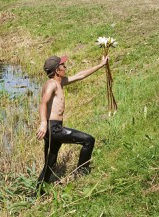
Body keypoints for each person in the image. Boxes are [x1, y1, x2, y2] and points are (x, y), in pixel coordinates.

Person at [36, 54, 108, 192]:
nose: (65, 67)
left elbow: (80, 75)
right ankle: (81, 173)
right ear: (57, 70)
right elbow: (43, 103)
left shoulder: (59, 82)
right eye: (62, 65)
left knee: (50, 164)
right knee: (88, 140)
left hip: (55, 128)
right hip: (53, 129)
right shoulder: (51, 84)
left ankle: (38, 193)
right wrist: (43, 123)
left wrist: (100, 65)